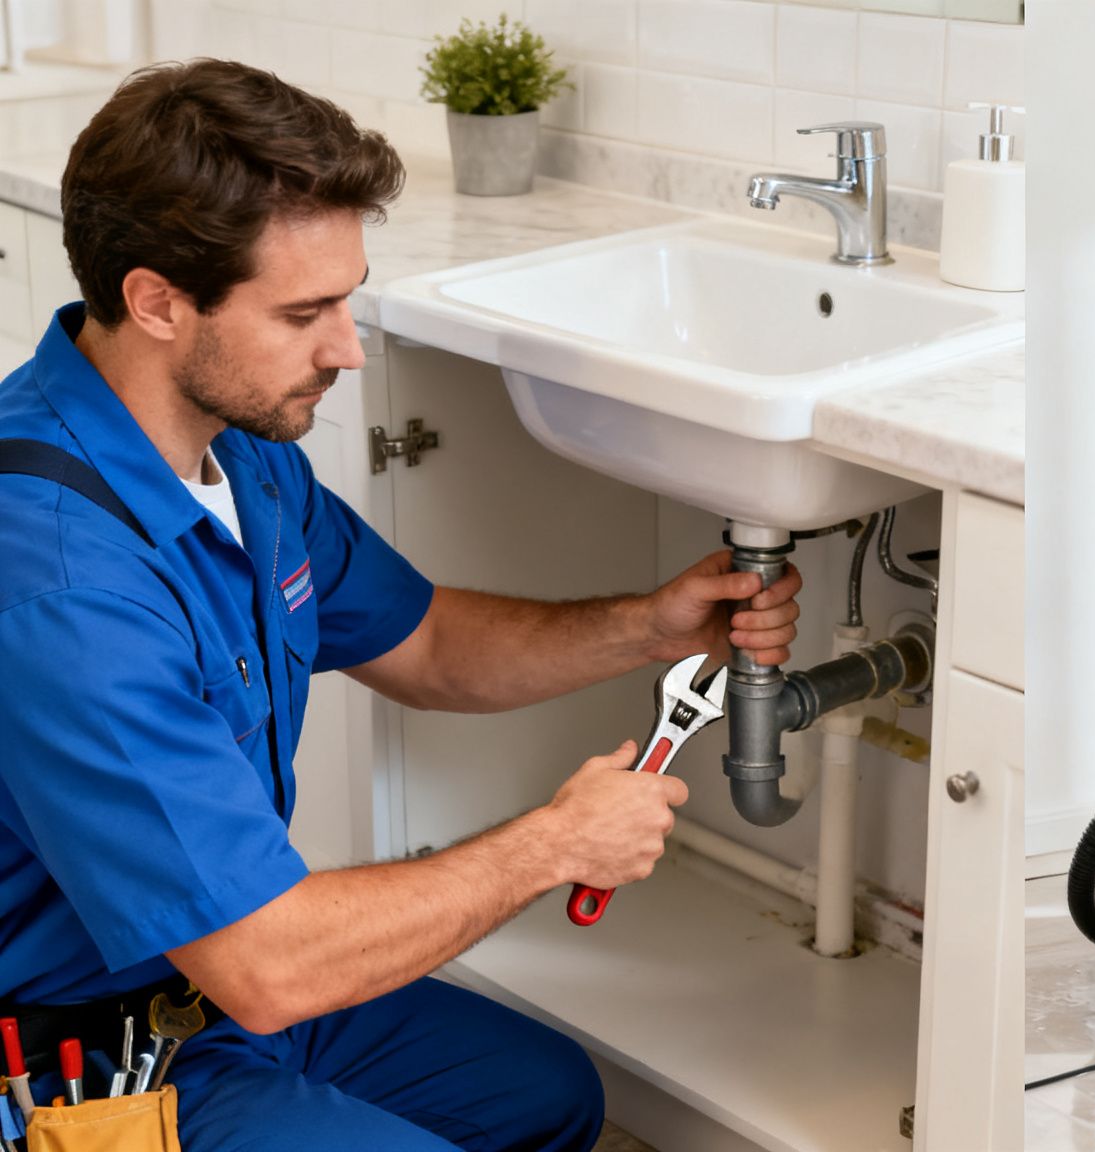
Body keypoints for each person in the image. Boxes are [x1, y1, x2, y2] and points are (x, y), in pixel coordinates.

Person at [0, 59, 801, 1149]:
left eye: (347, 297)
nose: (348, 348)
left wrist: (648, 626)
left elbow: (424, 642)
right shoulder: (59, 586)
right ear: (157, 302)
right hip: (75, 1066)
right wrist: (553, 843)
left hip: (207, 1003)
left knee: (546, 1095)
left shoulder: (237, 450)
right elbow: (272, 962)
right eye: (305, 313)